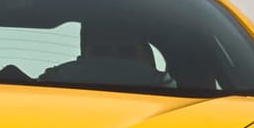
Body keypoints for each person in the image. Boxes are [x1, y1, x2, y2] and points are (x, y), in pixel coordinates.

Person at [39, 17, 173, 87]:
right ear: (82, 60)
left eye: (127, 54)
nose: (113, 63)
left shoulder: (175, 97)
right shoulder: (46, 92)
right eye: (101, 53)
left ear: (149, 61)